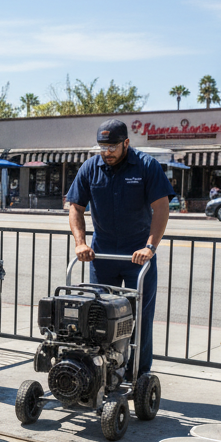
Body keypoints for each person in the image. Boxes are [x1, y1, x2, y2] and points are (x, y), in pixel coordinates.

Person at [66, 119, 174, 380]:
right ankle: (102, 371)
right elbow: (75, 208)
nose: (107, 152)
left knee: (140, 317)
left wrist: (150, 246)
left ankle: (138, 376)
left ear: (126, 142)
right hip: (103, 255)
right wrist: (80, 242)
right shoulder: (91, 168)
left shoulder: (146, 166)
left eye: (112, 146)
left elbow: (161, 208)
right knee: (99, 314)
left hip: (138, 255)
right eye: (102, 147)